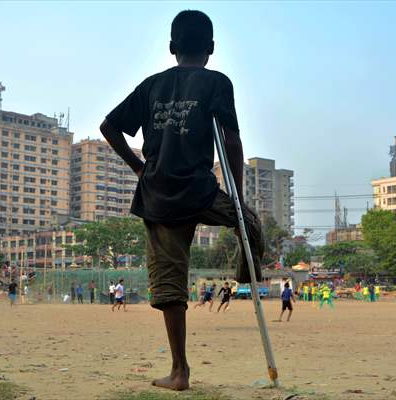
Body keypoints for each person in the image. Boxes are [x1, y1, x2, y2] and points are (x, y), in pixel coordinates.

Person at [100, 10, 265, 391]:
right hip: (200, 191)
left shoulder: (150, 86)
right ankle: (247, 275)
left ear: (171, 47)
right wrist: (238, 198)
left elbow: (109, 126)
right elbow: (232, 140)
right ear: (211, 48)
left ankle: (179, 371)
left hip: (159, 195)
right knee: (251, 223)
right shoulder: (217, 82)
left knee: (170, 282)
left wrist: (138, 167)